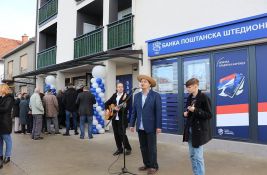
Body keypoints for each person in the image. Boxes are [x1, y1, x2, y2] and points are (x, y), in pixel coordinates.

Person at [130, 75, 162, 175]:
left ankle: (153, 166)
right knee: (143, 147)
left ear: (149, 84)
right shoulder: (137, 96)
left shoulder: (155, 95)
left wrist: (158, 126)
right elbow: (134, 112)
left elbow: (158, 112)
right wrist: (132, 124)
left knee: (151, 147)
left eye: (145, 82)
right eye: (141, 81)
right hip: (140, 126)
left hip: (151, 126)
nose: (142, 83)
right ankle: (147, 164)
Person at [183, 78, 212, 175]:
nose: (187, 89)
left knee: (198, 156)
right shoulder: (189, 97)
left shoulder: (204, 97)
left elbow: (209, 115)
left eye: (189, 87)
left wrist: (195, 110)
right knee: (192, 155)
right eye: (187, 87)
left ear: (196, 86)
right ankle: (196, 173)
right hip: (190, 129)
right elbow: (187, 111)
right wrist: (185, 114)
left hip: (198, 131)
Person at [105, 83, 132, 156]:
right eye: (118, 87)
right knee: (116, 134)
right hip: (114, 118)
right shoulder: (114, 95)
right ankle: (119, 149)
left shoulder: (127, 96)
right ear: (116, 88)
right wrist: (112, 108)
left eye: (121, 87)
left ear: (123, 88)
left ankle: (128, 148)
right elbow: (107, 103)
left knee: (122, 134)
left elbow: (127, 107)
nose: (120, 88)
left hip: (122, 118)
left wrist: (120, 108)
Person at [0, 83, 15, 169]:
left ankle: (8, 156)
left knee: (7, 140)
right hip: (0, 122)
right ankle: (0, 155)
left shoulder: (9, 98)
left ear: (3, 89)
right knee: (0, 141)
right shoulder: (1, 98)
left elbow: (6, 109)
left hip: (5, 122)